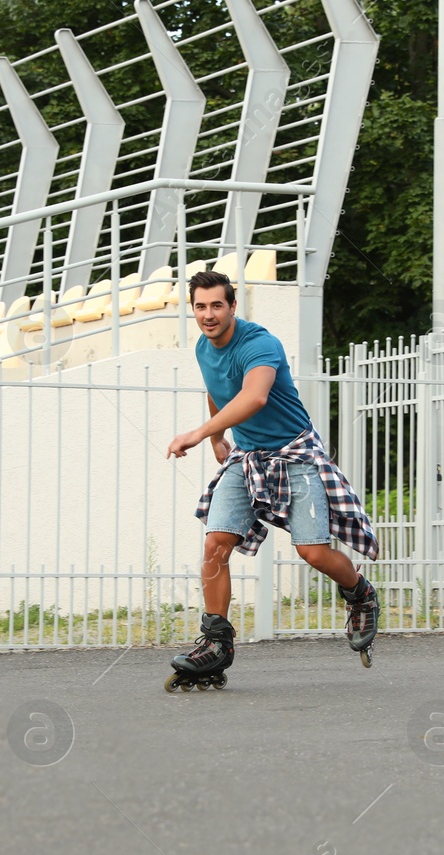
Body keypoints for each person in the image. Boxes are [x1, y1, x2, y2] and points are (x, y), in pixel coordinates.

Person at [161, 270, 380, 690]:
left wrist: (198, 432)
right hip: (247, 458)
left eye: (216, 306)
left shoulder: (261, 344)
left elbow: (254, 396)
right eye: (200, 307)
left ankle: (360, 593)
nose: (208, 315)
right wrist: (220, 437)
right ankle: (216, 643)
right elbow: (218, 389)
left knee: (313, 552)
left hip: (295, 454)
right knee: (215, 544)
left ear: (233, 306)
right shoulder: (204, 347)